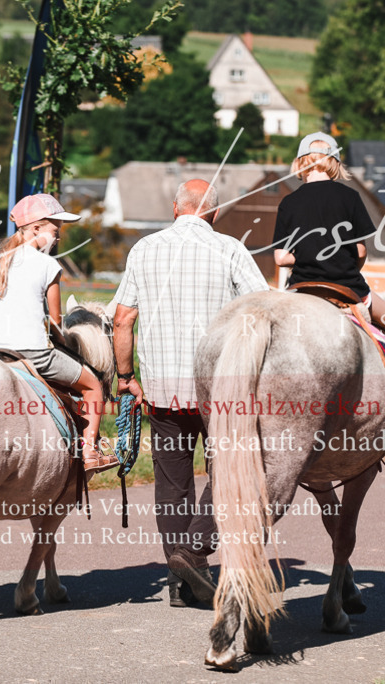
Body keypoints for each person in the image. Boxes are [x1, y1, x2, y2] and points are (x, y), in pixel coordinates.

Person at [112, 179, 269, 607]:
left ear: (174, 208)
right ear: (213, 214)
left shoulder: (143, 249)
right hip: (219, 389)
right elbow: (263, 308)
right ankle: (194, 551)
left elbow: (122, 319)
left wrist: (126, 376)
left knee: (171, 484)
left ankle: (179, 579)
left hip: (162, 390)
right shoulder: (231, 249)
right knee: (228, 473)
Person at [272, 132, 385, 424]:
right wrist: (346, 262)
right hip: (345, 289)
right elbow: (361, 251)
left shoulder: (289, 202)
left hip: (301, 293)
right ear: (334, 164)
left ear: (301, 163)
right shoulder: (350, 197)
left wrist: (306, 255)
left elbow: (280, 258)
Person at [0, 194, 117, 473]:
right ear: (35, 229)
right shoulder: (48, 265)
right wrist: (63, 344)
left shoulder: (0, 262)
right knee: (93, 386)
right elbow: (55, 323)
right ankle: (91, 452)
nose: (58, 238)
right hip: (34, 353)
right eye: (54, 231)